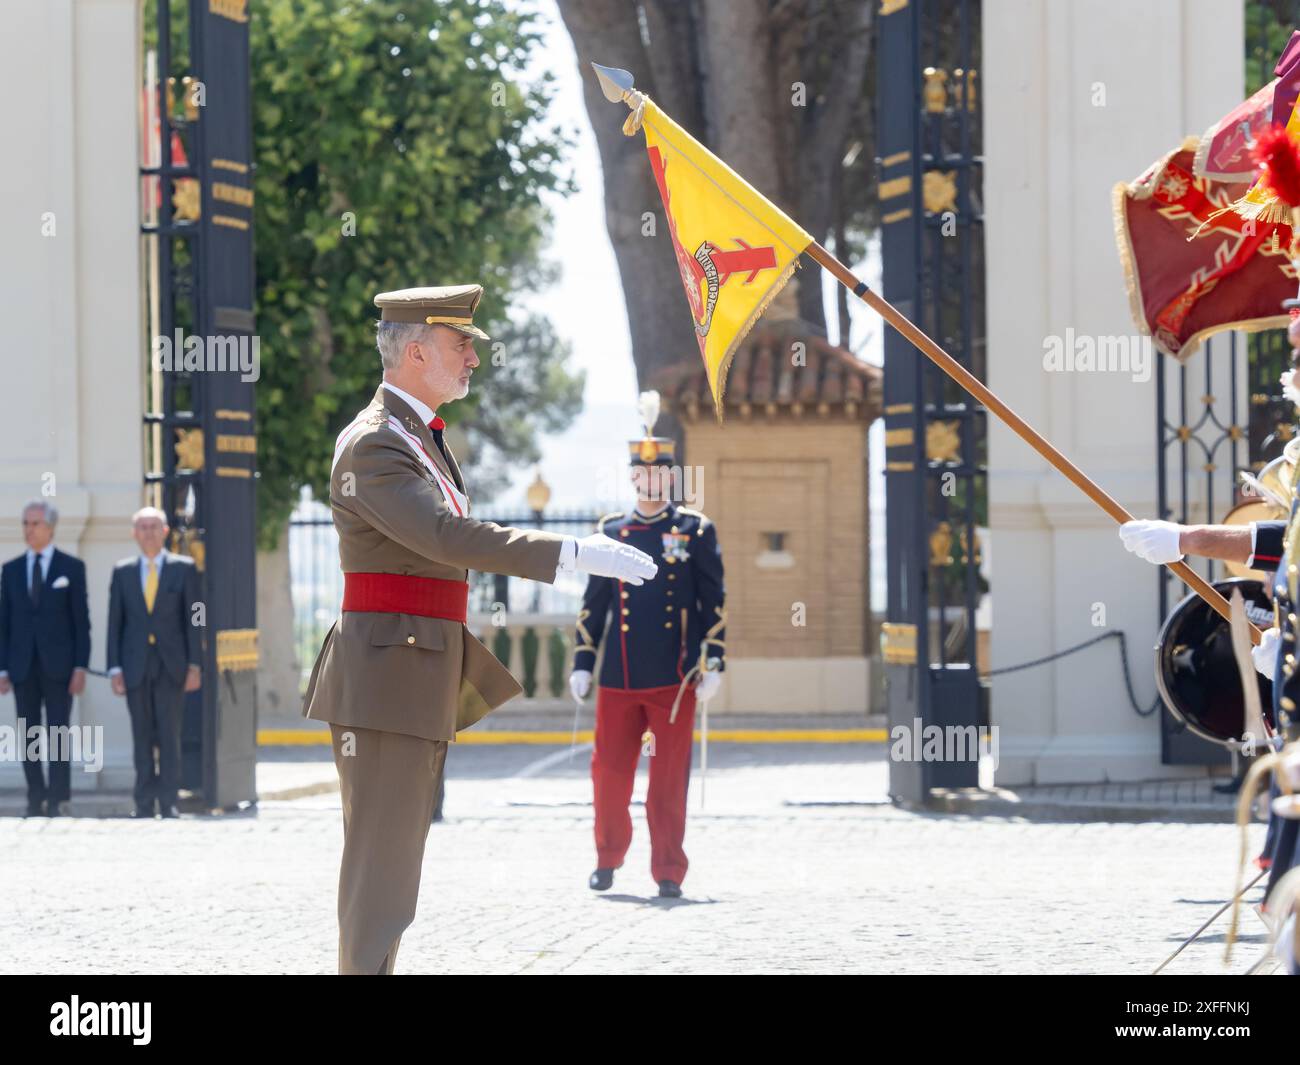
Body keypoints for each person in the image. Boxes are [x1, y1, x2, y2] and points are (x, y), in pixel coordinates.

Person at [302, 284, 657, 975]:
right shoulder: (377, 443)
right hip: (386, 681)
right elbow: (442, 535)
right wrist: (568, 554)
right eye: (460, 344)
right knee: (381, 876)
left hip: (406, 676)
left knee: (393, 871)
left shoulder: (409, 436)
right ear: (415, 351)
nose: (472, 357)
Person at [568, 393, 725, 898]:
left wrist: (714, 660)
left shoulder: (695, 531)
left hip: (674, 677)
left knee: (667, 782)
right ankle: (607, 857)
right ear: (634, 476)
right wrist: (583, 661)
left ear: (671, 478)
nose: (651, 481)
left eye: (660, 474)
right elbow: (594, 605)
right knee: (609, 775)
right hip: (619, 675)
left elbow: (711, 602)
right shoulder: (611, 532)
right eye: (642, 472)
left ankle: (667, 871)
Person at [105, 506, 202, 819]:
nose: (148, 532)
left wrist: (195, 665)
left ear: (165, 532)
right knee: (142, 736)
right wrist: (114, 668)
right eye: (142, 527)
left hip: (171, 666)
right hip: (134, 667)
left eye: (153, 526)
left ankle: (169, 801)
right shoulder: (122, 572)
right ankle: (144, 803)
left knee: (169, 735)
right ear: (135, 533)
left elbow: (194, 620)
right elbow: (114, 624)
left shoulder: (184, 569)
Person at [0, 500, 90, 817]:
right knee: (28, 735)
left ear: (50, 528)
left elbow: (81, 622)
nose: (29, 529)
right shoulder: (10, 570)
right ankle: (35, 796)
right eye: (25, 523)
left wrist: (80, 666)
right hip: (23, 666)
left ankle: (58, 797)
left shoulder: (71, 568)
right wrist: (2, 668)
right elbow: (4, 623)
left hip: (59, 667)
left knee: (58, 733)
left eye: (35, 524)